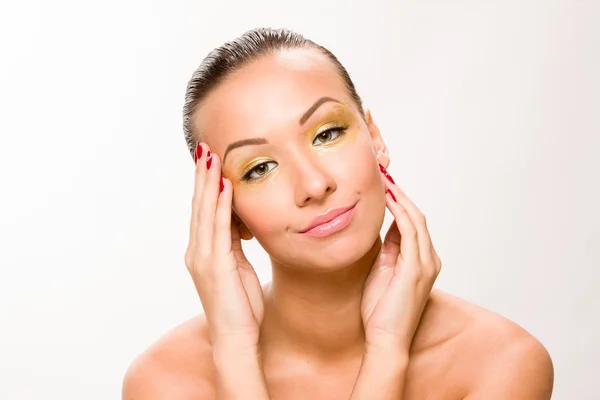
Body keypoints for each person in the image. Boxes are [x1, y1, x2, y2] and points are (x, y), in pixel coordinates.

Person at [122, 27, 554, 399]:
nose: (314, 185)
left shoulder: (499, 363)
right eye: (260, 168)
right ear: (228, 213)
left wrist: (388, 348)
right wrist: (234, 352)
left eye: (327, 133)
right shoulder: (166, 383)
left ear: (375, 138)